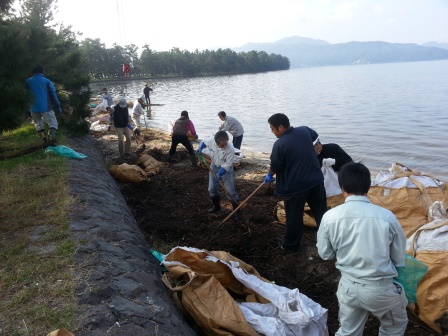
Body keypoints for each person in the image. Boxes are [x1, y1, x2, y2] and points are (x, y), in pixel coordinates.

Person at [316, 162, 408, 336]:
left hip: (348, 287)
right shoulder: (387, 217)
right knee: (393, 328)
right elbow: (398, 258)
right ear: (368, 187)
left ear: (342, 187)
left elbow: (325, 254)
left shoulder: (330, 216)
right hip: (381, 289)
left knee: (349, 331)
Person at [264, 113, 327, 254]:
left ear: (280, 127)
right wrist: (317, 146)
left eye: (272, 129)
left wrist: (269, 175)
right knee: (321, 213)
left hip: (295, 187)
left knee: (293, 217)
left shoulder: (279, 144)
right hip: (316, 181)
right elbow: (315, 135)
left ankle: (291, 246)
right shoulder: (304, 130)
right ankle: (330, 242)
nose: (272, 132)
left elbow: (276, 165)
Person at [196, 131, 242, 221]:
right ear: (216, 142)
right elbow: (203, 142)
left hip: (226, 170)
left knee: (230, 192)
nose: (223, 146)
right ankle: (216, 206)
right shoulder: (210, 140)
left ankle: (237, 211)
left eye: (225, 144)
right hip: (214, 166)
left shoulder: (230, 148)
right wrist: (200, 148)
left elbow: (228, 164)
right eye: (221, 145)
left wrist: (220, 173)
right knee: (212, 189)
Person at [25, 64, 62, 145]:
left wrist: (25, 111)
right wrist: (58, 106)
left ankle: (44, 141)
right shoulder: (47, 81)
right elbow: (53, 95)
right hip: (45, 107)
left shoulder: (27, 81)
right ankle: (51, 141)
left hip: (33, 108)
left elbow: (24, 96)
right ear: (42, 71)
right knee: (53, 124)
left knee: (38, 124)